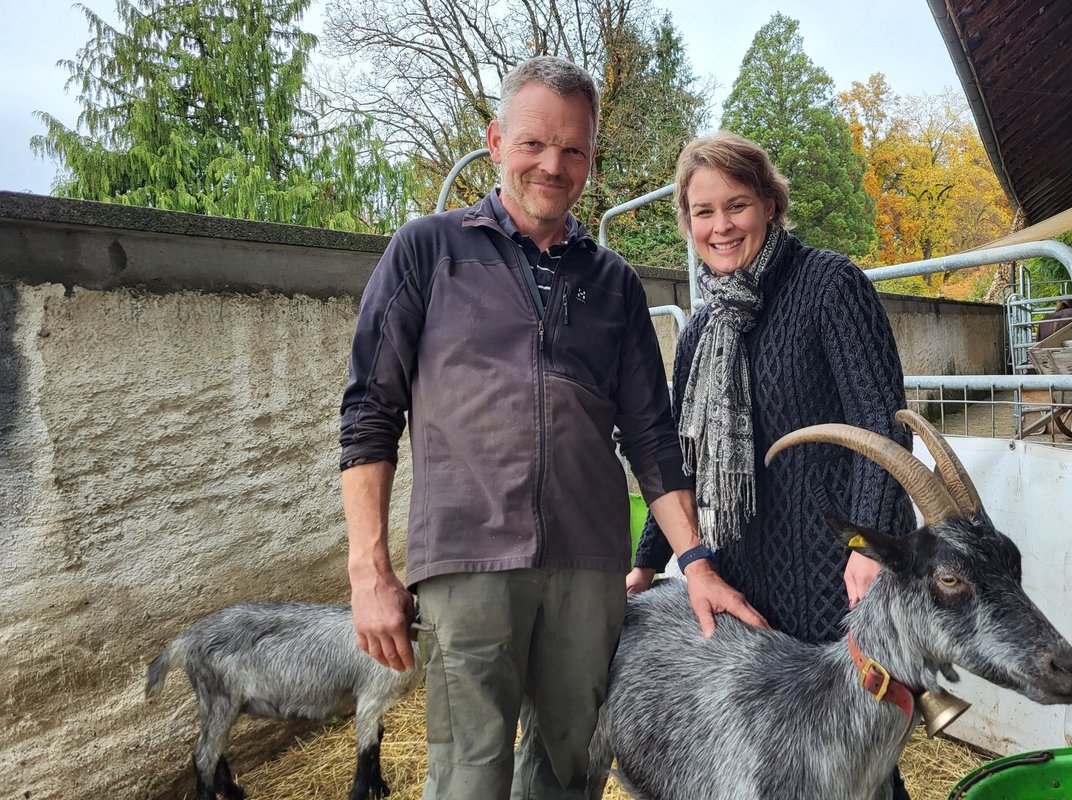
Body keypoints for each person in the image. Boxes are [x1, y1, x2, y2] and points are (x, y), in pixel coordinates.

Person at [338, 58, 765, 800]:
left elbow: (652, 437)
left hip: (587, 569)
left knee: (570, 771)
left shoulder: (615, 284)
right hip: (467, 560)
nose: (553, 165)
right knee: (469, 778)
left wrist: (694, 563)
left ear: (590, 159)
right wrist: (369, 569)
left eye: (573, 150)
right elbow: (369, 413)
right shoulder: (428, 250)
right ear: (497, 140)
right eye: (535, 143)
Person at [628, 131, 917, 800]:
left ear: (768, 203)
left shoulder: (828, 284)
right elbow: (684, 456)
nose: (721, 226)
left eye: (737, 205)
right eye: (703, 211)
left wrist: (868, 546)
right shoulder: (701, 330)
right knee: (770, 761)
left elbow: (882, 422)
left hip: (834, 579)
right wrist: (648, 560)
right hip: (740, 583)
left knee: (854, 762)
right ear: (688, 221)